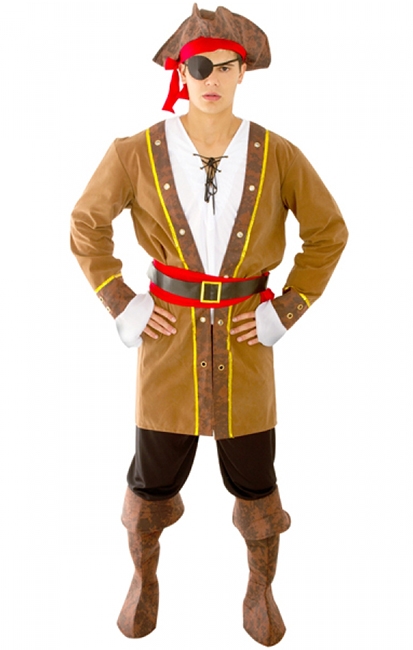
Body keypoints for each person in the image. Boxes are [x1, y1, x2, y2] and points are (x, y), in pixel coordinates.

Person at [70, 4, 348, 646]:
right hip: (167, 341)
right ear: (180, 71)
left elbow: (329, 231)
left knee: (256, 481)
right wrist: (124, 302)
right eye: (200, 66)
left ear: (243, 72)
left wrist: (285, 309)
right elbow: (86, 225)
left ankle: (260, 589)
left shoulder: (278, 154)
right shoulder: (135, 152)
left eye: (226, 66)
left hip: (247, 343)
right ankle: (144, 579)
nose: (213, 78)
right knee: (151, 479)